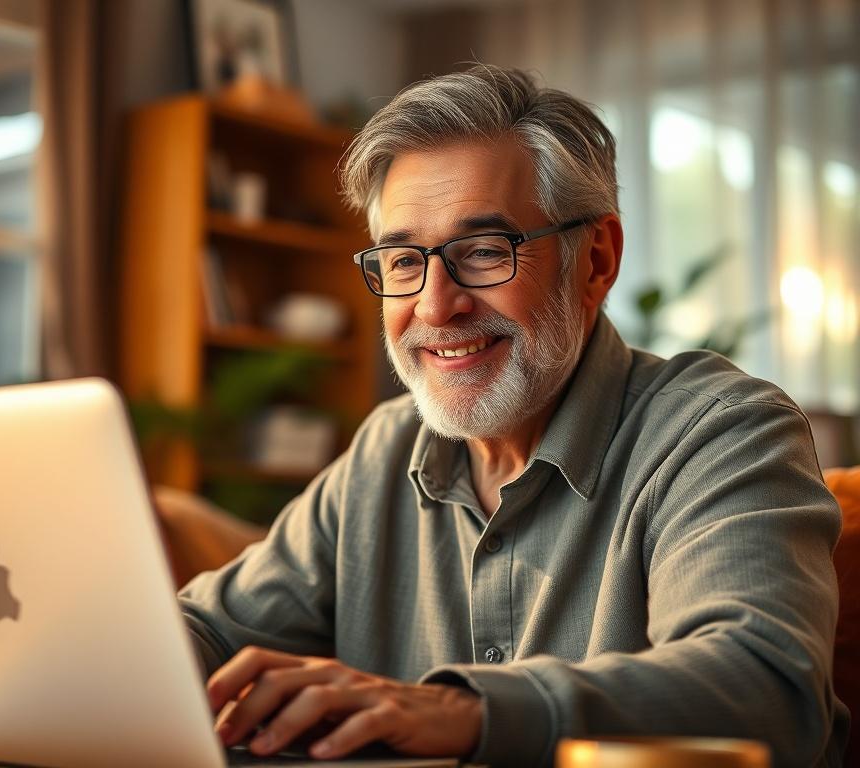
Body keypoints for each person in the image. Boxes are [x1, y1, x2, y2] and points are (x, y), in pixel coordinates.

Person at [178, 65, 848, 767]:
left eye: (483, 252)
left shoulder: (723, 431)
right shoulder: (386, 448)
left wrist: (462, 713)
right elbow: (211, 630)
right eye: (403, 261)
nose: (435, 306)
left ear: (596, 260)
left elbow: (764, 686)